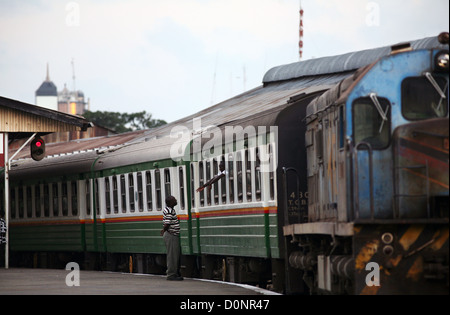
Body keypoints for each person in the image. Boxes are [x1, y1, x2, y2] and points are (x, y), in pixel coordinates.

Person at [160, 195, 183, 281]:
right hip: (171, 235)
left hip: (171, 235)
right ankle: (171, 274)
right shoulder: (169, 210)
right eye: (174, 199)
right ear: (170, 202)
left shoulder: (169, 209)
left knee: (174, 255)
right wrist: (164, 230)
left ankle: (174, 273)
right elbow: (167, 223)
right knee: (172, 256)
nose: (176, 200)